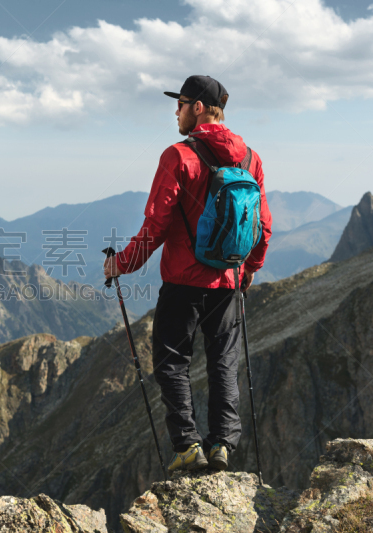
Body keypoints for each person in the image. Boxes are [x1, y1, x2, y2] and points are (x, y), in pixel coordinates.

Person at [103, 75, 272, 473]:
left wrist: (120, 264)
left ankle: (186, 446)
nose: (174, 111)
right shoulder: (250, 159)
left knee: (171, 361)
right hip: (228, 281)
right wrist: (249, 269)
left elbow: (155, 226)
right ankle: (222, 445)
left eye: (179, 103)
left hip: (183, 280)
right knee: (223, 363)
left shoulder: (178, 156)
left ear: (198, 107)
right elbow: (262, 226)